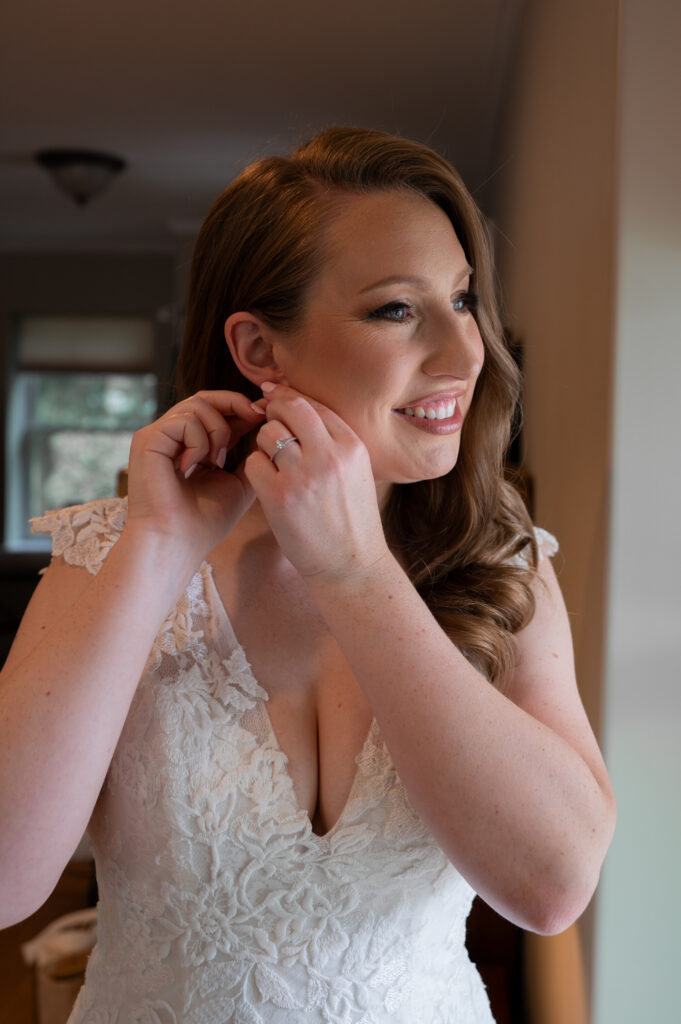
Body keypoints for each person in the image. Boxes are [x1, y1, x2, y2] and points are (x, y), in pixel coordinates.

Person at [0, 127, 615, 1023]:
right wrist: (155, 551)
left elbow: (554, 886)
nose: (463, 352)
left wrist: (358, 572)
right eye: (397, 310)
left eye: (463, 299)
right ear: (258, 350)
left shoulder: (498, 554)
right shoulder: (109, 551)